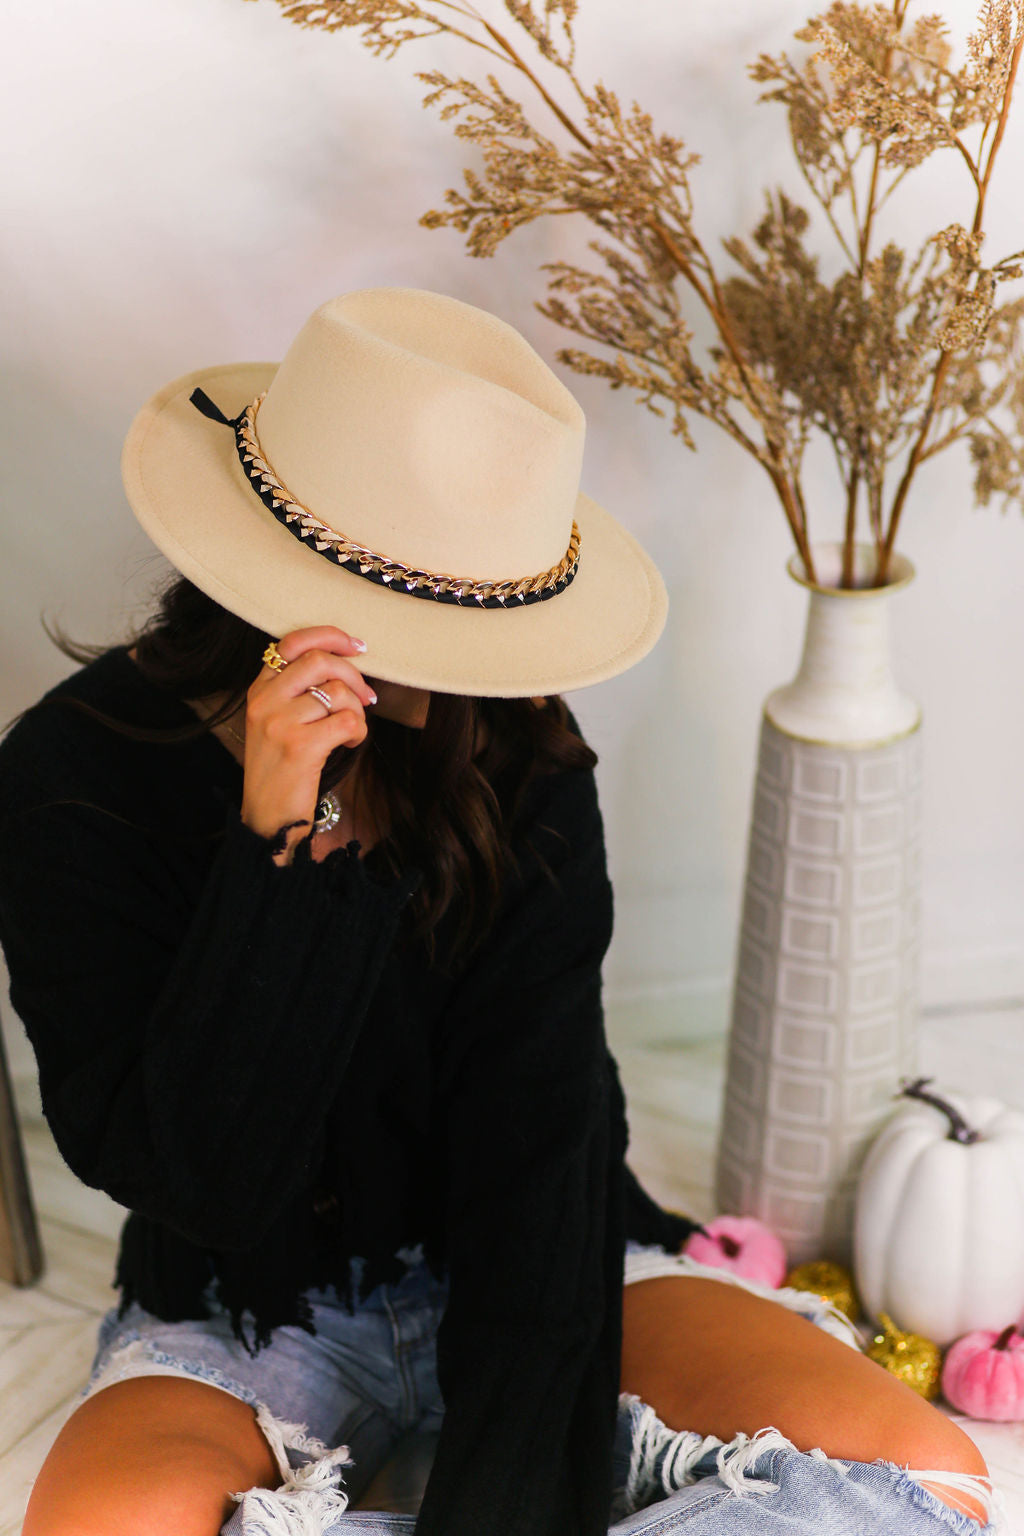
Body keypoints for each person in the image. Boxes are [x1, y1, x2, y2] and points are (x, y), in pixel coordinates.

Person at [0, 289, 996, 1536]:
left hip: (548, 1257)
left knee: (922, 1473)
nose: (464, 661)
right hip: (237, 1309)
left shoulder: (517, 755)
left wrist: (506, 1509)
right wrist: (275, 850)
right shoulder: (70, 779)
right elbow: (199, 1179)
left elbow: (540, 1141)